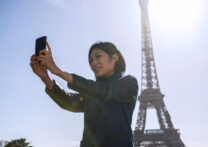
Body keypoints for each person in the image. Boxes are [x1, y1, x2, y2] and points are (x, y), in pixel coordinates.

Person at [30, 41, 138, 147]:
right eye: (90, 60)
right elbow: (69, 102)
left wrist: (58, 71)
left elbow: (105, 91)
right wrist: (45, 77)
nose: (93, 63)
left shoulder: (129, 83)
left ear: (114, 58)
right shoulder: (92, 91)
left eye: (98, 56)